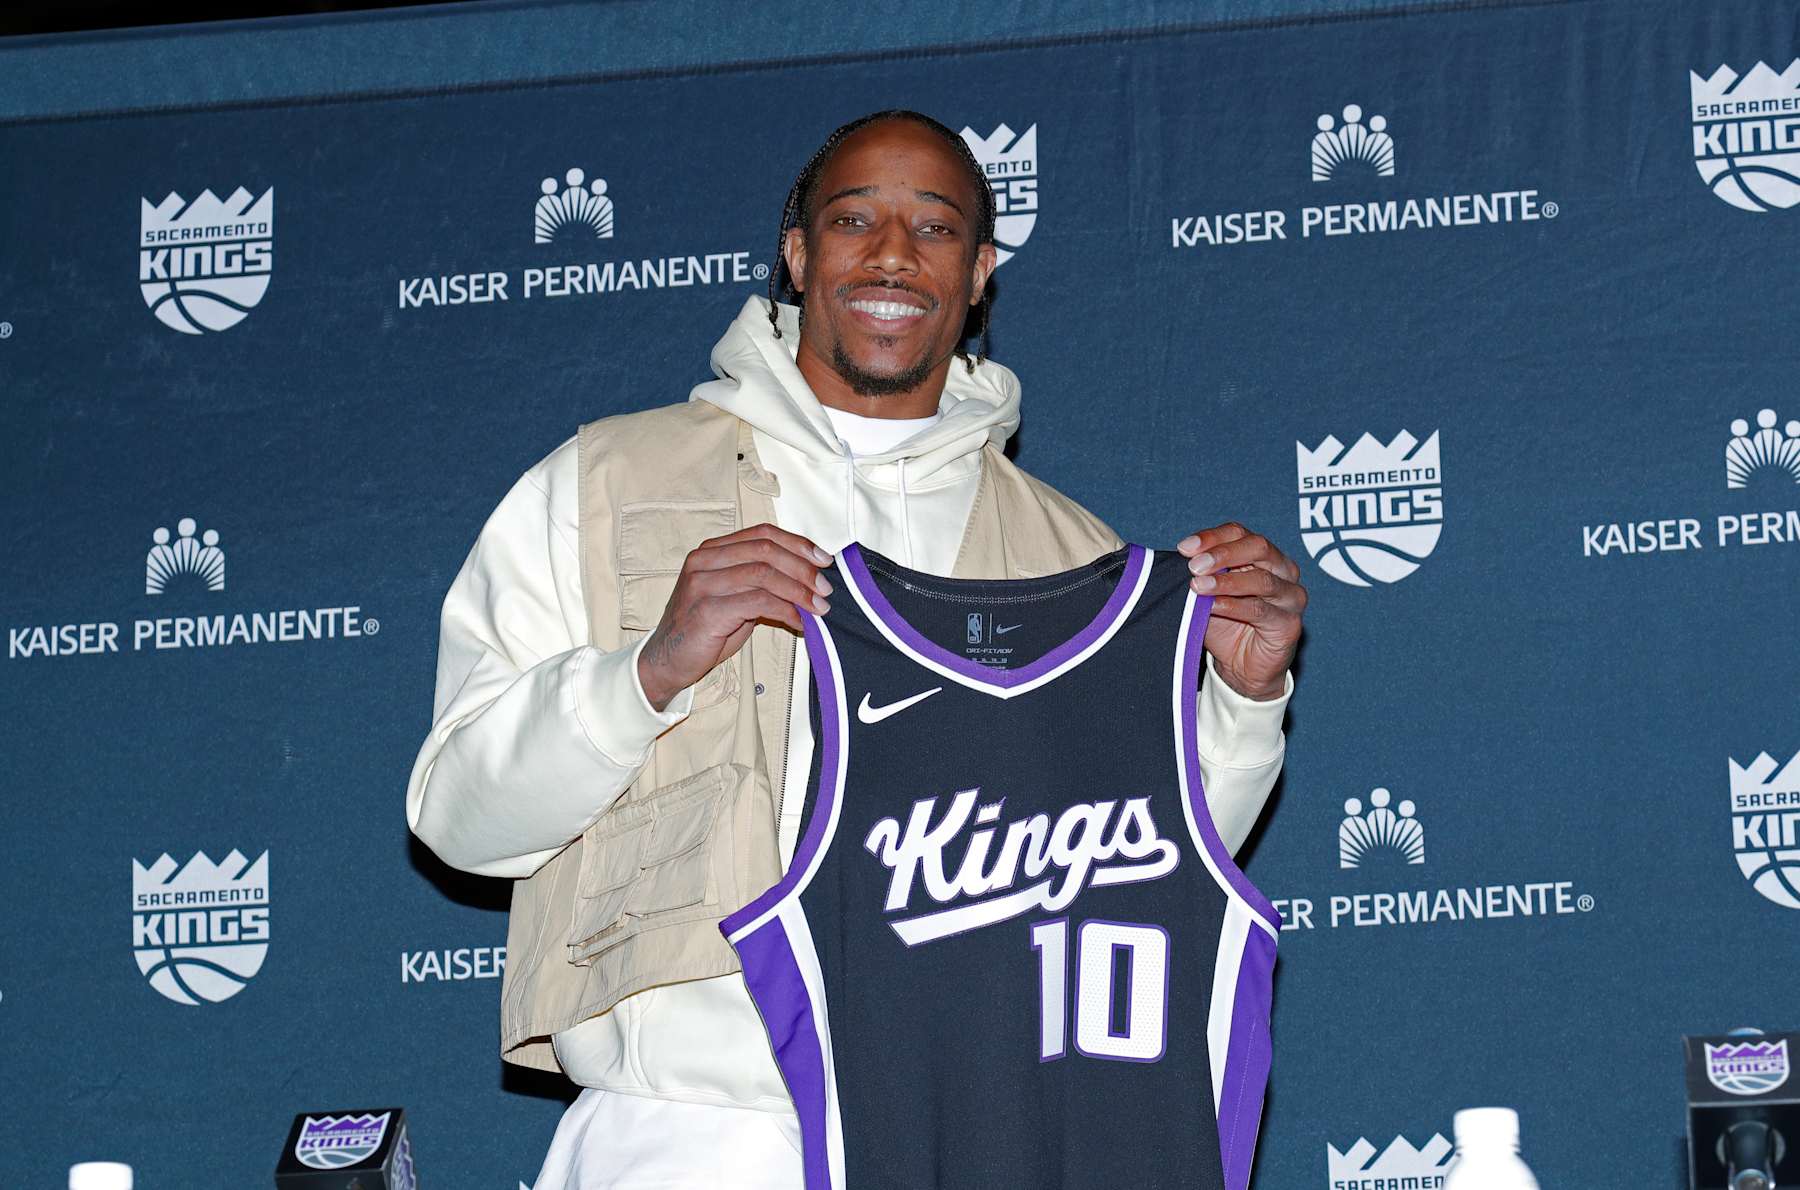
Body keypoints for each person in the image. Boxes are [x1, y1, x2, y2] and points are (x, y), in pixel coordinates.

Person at [406, 109, 1307, 1190]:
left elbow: (1146, 856)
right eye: (853, 219)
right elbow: (457, 816)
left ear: (979, 273)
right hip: (694, 1133)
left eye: (934, 227)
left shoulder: (1077, 556)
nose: (892, 252)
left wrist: (1241, 700)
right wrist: (650, 670)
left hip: (982, 1123)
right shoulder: (602, 482)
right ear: (797, 254)